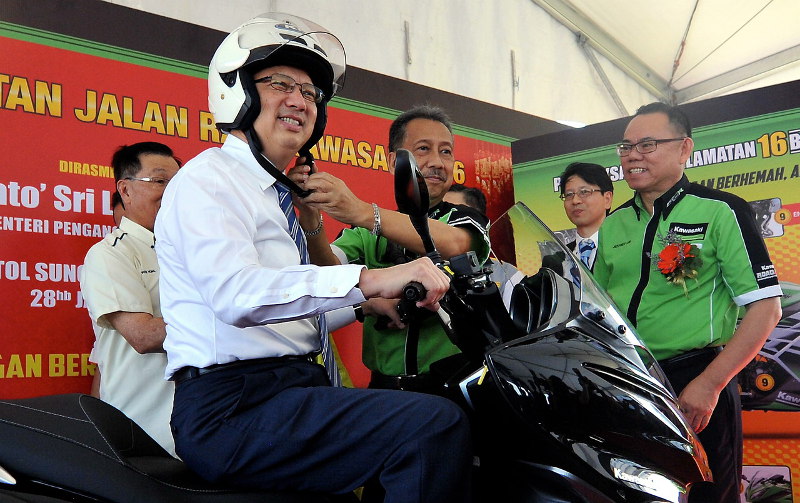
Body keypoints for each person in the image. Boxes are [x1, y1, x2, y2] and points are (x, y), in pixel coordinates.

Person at [154, 13, 471, 502]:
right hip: (234, 408)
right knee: (431, 424)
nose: (300, 100)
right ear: (236, 91)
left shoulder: (276, 196)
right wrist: (370, 280)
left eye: (310, 93)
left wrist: (368, 305)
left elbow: (285, 312)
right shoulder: (208, 181)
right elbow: (238, 296)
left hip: (290, 390)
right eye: (281, 83)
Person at [593, 102, 782, 503]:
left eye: (647, 144)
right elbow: (598, 308)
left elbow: (766, 309)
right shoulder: (613, 224)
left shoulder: (721, 211)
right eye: (625, 147)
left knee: (707, 496)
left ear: (684, 149)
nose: (632, 156)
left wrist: (710, 385)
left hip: (696, 382)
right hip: (632, 382)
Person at [293, 105, 490, 391]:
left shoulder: (464, 219)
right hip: (384, 389)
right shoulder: (365, 233)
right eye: (423, 149)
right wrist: (311, 216)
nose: (437, 161)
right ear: (393, 161)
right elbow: (327, 274)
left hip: (455, 385)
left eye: (446, 151)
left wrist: (360, 210)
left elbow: (458, 244)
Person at [79, 141, 181, 456]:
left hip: (198, 429)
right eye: (161, 181)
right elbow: (143, 335)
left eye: (178, 183)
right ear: (126, 189)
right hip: (143, 432)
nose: (172, 192)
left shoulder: (190, 251)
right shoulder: (110, 254)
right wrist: (231, 318)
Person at [558, 162, 614, 270]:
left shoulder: (625, 246)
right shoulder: (557, 260)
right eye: (569, 194)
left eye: (584, 192)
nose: (575, 200)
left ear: (607, 199)